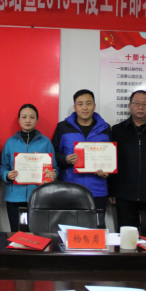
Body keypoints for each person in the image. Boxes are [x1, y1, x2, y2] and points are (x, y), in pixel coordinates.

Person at [109, 90, 146, 228]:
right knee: (125, 234)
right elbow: (111, 161)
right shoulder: (117, 130)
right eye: (136, 104)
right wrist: (112, 190)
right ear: (130, 106)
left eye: (144, 104)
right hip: (124, 195)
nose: (140, 107)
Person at [52, 90, 112, 222]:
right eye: (80, 104)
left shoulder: (105, 128)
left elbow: (112, 157)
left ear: (94, 106)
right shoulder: (63, 127)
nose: (84, 107)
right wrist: (65, 159)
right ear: (75, 107)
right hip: (70, 188)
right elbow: (53, 154)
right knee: (70, 228)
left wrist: (107, 172)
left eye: (88, 103)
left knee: (95, 229)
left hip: (98, 190)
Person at [0, 104, 58, 231]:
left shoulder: (46, 142)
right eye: (24, 117)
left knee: (37, 234)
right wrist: (7, 175)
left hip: (39, 196)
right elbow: (3, 166)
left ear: (37, 120)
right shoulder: (10, 142)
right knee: (17, 233)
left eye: (32, 117)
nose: (28, 120)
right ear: (19, 120)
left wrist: (53, 174)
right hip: (14, 197)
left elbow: (54, 167)